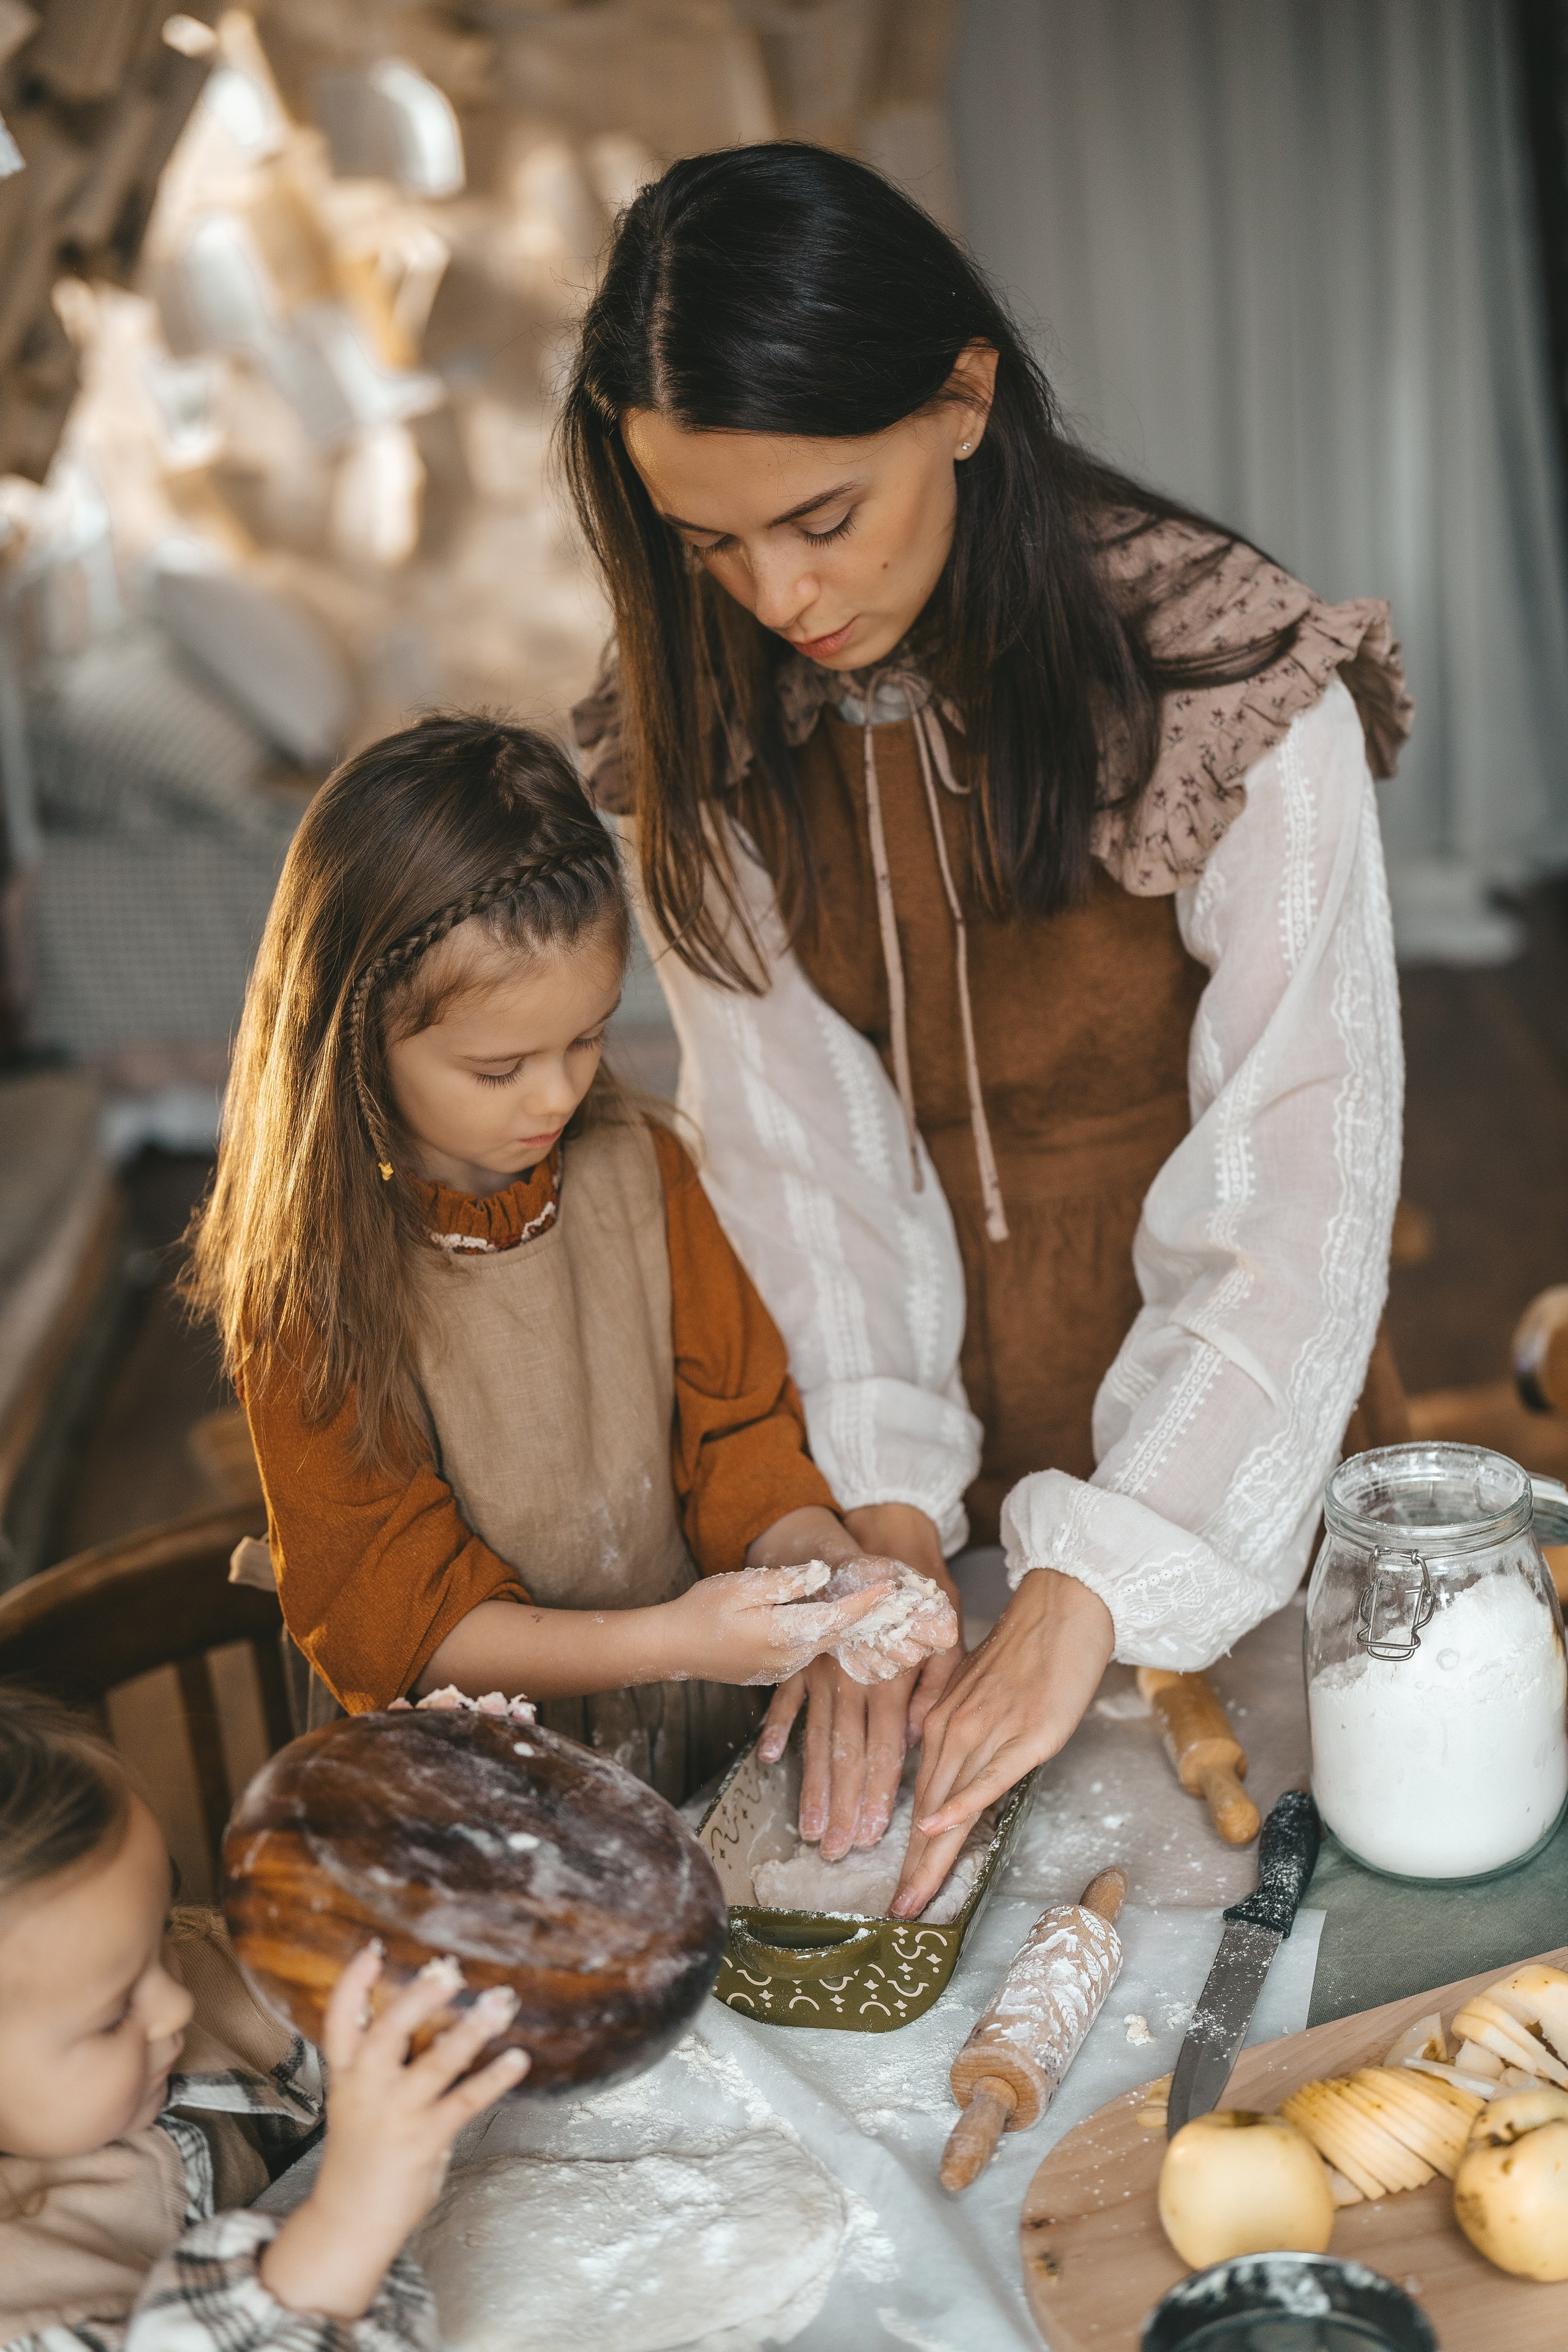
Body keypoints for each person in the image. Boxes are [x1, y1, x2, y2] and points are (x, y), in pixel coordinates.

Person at [561, 143, 1414, 1912]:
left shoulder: (1227, 686)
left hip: (1244, 1471)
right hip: (932, 1509)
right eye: (709, 543)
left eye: (822, 518)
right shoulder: (702, 731)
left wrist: (1105, 1578)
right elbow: (797, 1173)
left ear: (962, 400)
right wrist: (879, 1541)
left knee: (1278, 1923)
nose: (781, 599)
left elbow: (1299, 1191)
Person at [186, 714, 939, 1812]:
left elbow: (734, 1432)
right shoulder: (309, 1288)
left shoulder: (647, 1173)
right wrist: (670, 1638)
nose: (557, 1096)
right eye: (498, 1069)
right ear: (352, 1038)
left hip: (683, 1721)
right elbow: (412, 1622)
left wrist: (819, 1561)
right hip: (464, 1782)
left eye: (587, 1038)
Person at [0, 1683, 522, 2350]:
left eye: (160, 1929)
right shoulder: (25, 2305)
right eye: (112, 2015)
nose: (176, 2003)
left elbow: (328, 1984)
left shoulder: (177, 1976)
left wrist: (397, 1855)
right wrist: (346, 2225)